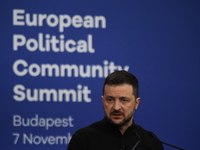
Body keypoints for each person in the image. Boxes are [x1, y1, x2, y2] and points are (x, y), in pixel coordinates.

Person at [67, 70, 164, 150]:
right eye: (110, 100)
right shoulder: (83, 138)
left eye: (124, 100)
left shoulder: (151, 142)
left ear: (136, 103)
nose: (116, 107)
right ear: (103, 101)